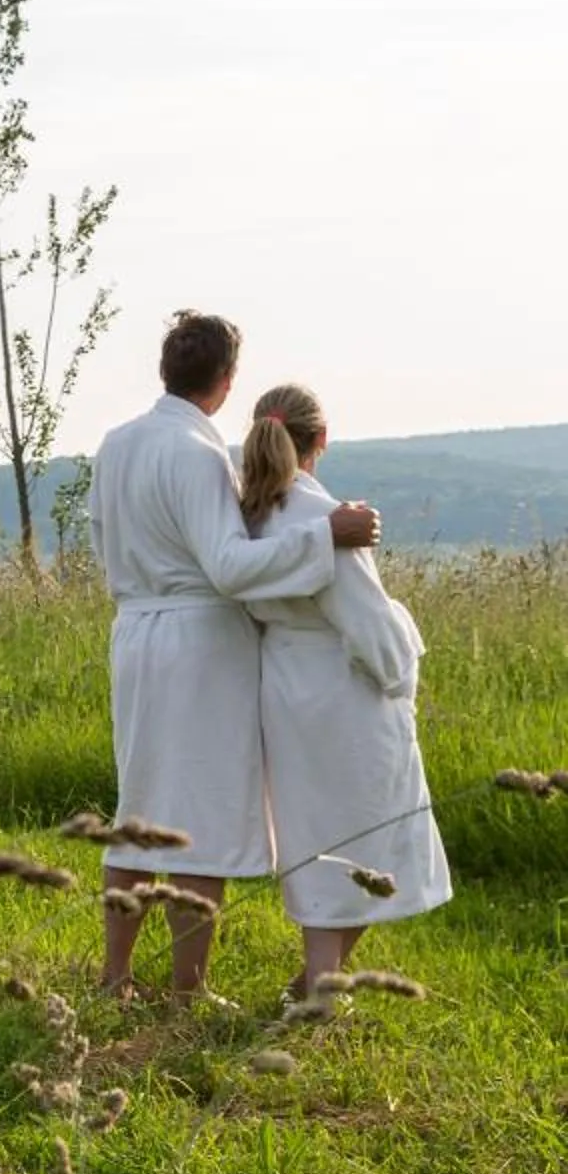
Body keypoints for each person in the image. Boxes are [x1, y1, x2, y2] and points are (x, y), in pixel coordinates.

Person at [87, 311, 380, 998]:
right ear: (225, 381)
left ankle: (115, 976)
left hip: (134, 632)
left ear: (169, 370)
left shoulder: (116, 443)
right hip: (198, 644)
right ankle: (187, 987)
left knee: (140, 805)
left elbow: (105, 545)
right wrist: (324, 537)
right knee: (200, 815)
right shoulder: (197, 454)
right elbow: (226, 565)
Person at [236, 383, 451, 992]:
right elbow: (369, 621)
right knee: (369, 836)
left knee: (314, 833)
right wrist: (401, 671)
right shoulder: (324, 521)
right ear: (321, 441)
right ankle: (319, 984)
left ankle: (314, 982)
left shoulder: (251, 516)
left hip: (284, 687)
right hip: (343, 693)